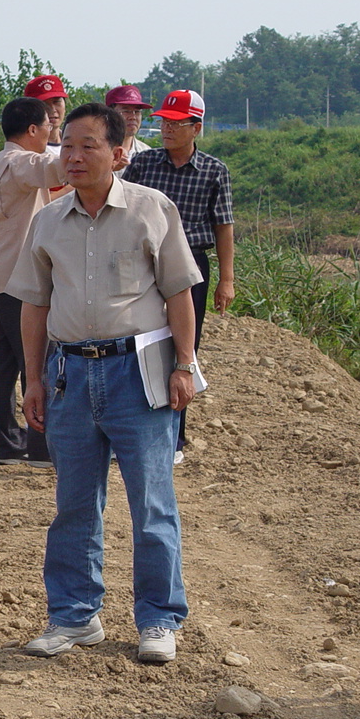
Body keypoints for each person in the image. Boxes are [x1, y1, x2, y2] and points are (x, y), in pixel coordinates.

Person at [8, 103, 201, 664]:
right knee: (73, 502)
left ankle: (159, 619)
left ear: (118, 154)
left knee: (152, 502)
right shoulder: (48, 220)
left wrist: (184, 364)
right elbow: (34, 304)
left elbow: (179, 294)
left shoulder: (151, 210)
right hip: (70, 372)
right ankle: (73, 615)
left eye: (87, 145)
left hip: (136, 373)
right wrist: (36, 378)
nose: (72, 156)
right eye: (66, 145)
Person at [123, 90, 235, 462]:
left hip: (191, 266)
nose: (166, 129)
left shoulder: (214, 171)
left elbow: (223, 226)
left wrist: (226, 278)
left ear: (196, 128)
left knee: (184, 347)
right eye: (164, 122)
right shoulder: (144, 165)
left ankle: (174, 435)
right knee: (136, 340)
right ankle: (133, 428)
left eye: (176, 123)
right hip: (142, 264)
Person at [0, 97, 65, 469]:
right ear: (32, 130)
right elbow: (54, 169)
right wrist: (99, 153)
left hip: (1, 277)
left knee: (4, 367)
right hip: (17, 281)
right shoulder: (19, 162)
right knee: (38, 363)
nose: (51, 132)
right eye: (49, 125)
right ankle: (42, 447)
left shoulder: (3, 162)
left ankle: (7, 444)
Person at [104, 85, 154, 166]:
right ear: (109, 114)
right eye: (126, 111)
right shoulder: (97, 150)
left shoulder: (147, 153)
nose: (133, 117)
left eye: (137, 112)